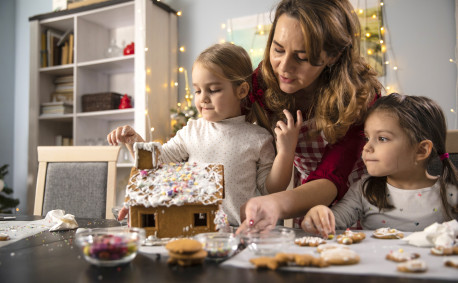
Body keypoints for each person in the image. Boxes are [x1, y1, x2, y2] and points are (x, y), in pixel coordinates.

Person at [107, 43, 302, 226]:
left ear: (241, 90)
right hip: (197, 229)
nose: (203, 99)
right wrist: (134, 142)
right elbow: (158, 161)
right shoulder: (192, 131)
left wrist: (286, 152)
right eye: (198, 91)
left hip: (241, 231)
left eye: (214, 90)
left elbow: (271, 189)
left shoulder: (258, 138)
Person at [238, 0, 383, 232]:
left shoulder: (358, 99)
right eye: (278, 49)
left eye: (302, 57)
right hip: (304, 200)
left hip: (357, 202)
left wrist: (274, 204)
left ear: (333, 56)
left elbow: (333, 175)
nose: (284, 67)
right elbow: (227, 122)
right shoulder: (263, 81)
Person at [302, 93, 458, 237]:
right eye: (367, 138)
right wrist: (318, 215)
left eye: (382, 138)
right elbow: (331, 224)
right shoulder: (364, 191)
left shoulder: (451, 195)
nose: (367, 147)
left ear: (421, 150)